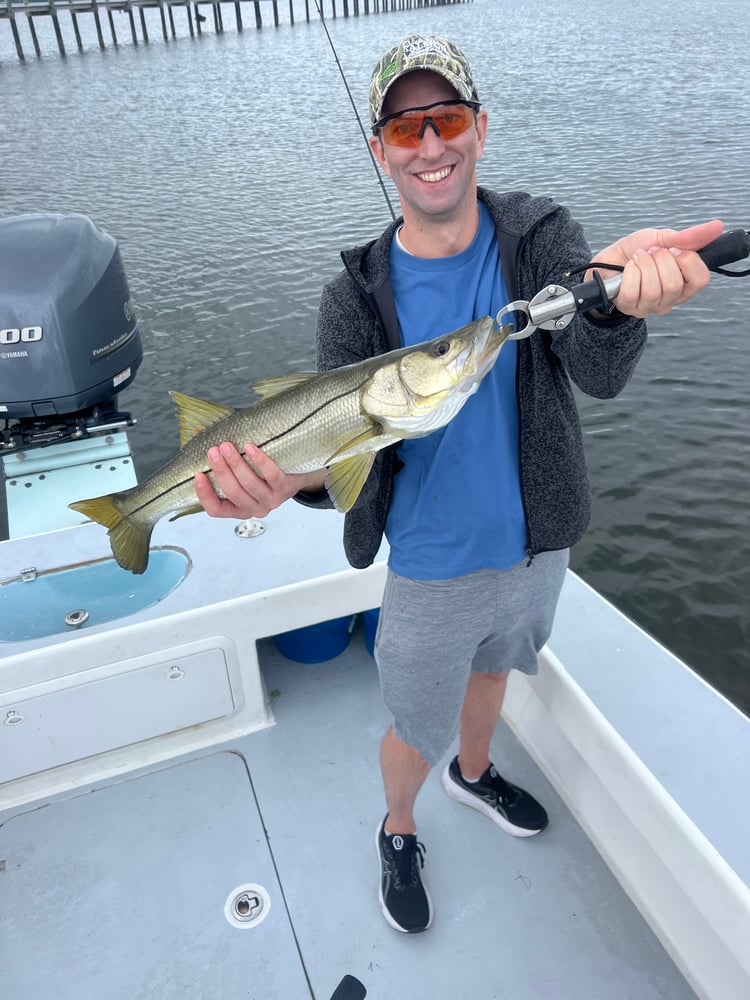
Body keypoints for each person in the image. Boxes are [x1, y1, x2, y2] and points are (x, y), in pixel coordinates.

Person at [194, 35, 722, 934]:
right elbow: (345, 455)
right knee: (413, 725)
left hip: (537, 545)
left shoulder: (540, 236)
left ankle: (474, 775)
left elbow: (593, 367)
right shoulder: (354, 298)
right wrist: (282, 487)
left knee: (498, 670)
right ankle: (399, 825)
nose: (430, 144)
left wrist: (620, 307)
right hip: (431, 567)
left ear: (480, 128)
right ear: (380, 149)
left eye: (447, 119)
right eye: (407, 126)